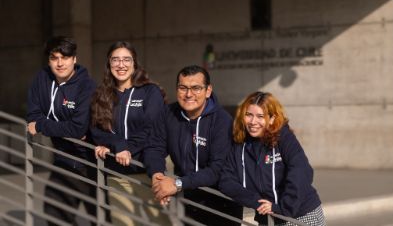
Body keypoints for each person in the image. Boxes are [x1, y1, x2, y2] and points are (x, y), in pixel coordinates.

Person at [144, 65, 243, 226]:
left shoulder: (222, 121)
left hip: (222, 203)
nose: (189, 94)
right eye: (183, 88)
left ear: (208, 90)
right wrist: (157, 176)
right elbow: (154, 147)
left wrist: (176, 184)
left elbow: (218, 169)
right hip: (189, 201)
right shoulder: (168, 114)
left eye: (196, 88)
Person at [90, 41, 170, 226]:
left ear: (135, 64)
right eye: (115, 60)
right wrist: (116, 145)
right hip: (117, 174)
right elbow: (97, 130)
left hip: (147, 170)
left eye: (127, 59)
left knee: (159, 223)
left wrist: (125, 148)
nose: (121, 65)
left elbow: (151, 129)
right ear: (109, 64)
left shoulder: (150, 92)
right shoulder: (101, 95)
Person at [219, 91, 326, 226]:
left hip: (302, 214)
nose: (253, 122)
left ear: (271, 119)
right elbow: (226, 180)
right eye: (249, 115)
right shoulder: (240, 144)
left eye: (260, 116)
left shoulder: (284, 138)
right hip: (272, 216)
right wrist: (256, 201)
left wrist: (283, 207)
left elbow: (301, 172)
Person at [26, 36, 97, 226]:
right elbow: (32, 115)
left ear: (74, 59)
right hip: (64, 158)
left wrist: (42, 126)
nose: (59, 63)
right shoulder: (42, 79)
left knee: (101, 217)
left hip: (93, 163)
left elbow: (77, 129)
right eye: (54, 57)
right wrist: (61, 128)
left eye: (65, 57)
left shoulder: (87, 86)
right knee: (54, 213)